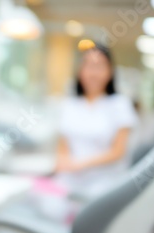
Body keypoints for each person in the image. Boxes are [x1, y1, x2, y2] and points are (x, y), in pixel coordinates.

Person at [31, 44, 138, 223]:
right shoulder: (70, 105)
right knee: (42, 205)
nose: (93, 72)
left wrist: (80, 164)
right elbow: (63, 146)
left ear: (110, 71)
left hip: (104, 180)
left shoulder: (119, 105)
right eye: (88, 65)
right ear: (80, 70)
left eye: (99, 66)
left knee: (88, 217)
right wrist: (63, 162)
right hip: (70, 178)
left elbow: (118, 152)